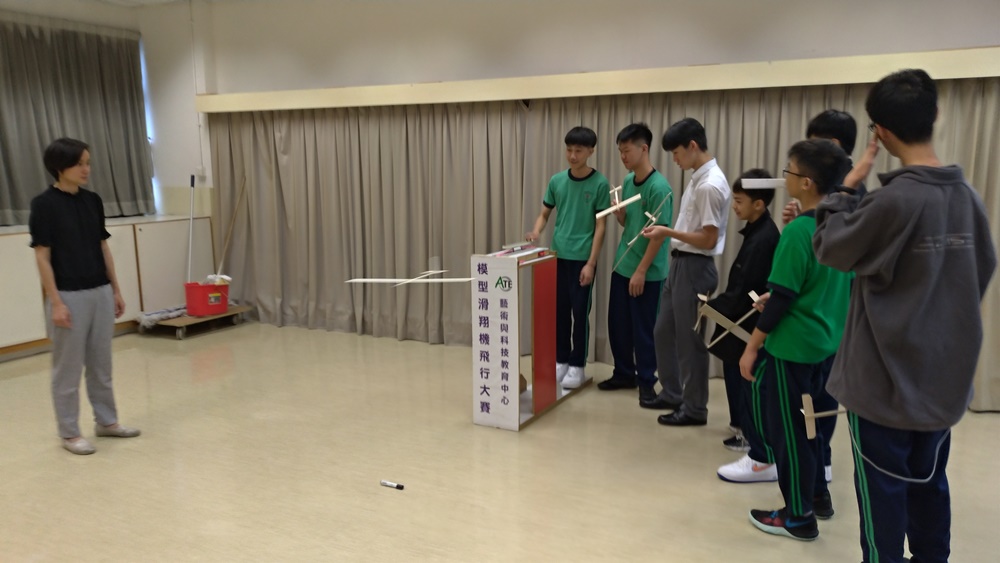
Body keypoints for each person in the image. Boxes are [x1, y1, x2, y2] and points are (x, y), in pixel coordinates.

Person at [813, 69, 997, 562]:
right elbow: (980, 273)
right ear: (935, 113)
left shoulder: (892, 201)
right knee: (930, 486)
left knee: (883, 506)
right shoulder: (969, 199)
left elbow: (830, 246)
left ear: (880, 132)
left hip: (883, 390)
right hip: (940, 385)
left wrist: (846, 187)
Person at [739, 139, 853, 541]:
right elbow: (824, 285)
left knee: (789, 434)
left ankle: (798, 517)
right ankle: (818, 497)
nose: (784, 176)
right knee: (814, 430)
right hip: (828, 346)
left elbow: (784, 297)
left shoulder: (799, 231)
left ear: (806, 182)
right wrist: (781, 295)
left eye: (789, 170)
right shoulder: (843, 227)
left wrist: (752, 346)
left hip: (793, 351)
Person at [29, 138, 141, 455]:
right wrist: (56, 302)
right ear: (59, 166)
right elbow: (42, 257)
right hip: (68, 295)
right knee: (67, 369)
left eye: (88, 163)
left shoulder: (92, 200)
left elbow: (102, 247)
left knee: (101, 364)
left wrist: (115, 289)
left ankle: (107, 422)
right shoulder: (44, 204)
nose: (86, 169)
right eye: (79, 163)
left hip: (100, 290)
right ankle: (69, 433)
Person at [642, 118, 730, 427]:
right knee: (663, 331)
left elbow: (708, 238)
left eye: (677, 153)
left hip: (695, 267)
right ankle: (672, 392)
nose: (675, 160)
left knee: (689, 340)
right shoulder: (698, 178)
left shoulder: (709, 184)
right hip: (680, 264)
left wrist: (667, 232)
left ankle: (694, 408)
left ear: (693, 146)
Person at [708, 170, 781, 483]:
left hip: (748, 320)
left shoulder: (765, 237)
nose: (734, 207)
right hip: (742, 316)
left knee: (747, 379)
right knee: (737, 374)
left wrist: (715, 307)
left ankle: (755, 442)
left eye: (739, 201)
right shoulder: (757, 231)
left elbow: (747, 286)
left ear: (759, 204)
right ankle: (745, 430)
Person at [526, 126, 611, 389]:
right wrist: (536, 231)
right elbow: (544, 213)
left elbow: (601, 226)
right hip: (557, 256)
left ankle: (577, 365)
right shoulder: (557, 181)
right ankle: (561, 360)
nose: (573, 156)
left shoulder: (600, 183)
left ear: (591, 151)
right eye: (569, 150)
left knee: (579, 313)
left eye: (579, 151)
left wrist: (591, 263)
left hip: (582, 259)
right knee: (559, 312)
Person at [598, 123, 672, 406]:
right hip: (623, 265)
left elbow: (659, 235)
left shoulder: (659, 187)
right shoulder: (629, 181)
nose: (623, 156)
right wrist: (620, 215)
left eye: (627, 150)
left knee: (644, 329)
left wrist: (641, 270)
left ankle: (646, 381)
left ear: (644, 148)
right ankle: (623, 373)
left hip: (647, 272)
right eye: (620, 151)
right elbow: (631, 224)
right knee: (618, 325)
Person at [782, 109, 866, 224]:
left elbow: (833, 232)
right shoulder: (850, 183)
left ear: (834, 145)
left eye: (813, 144)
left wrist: (802, 223)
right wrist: (802, 218)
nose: (808, 152)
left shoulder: (838, 187)